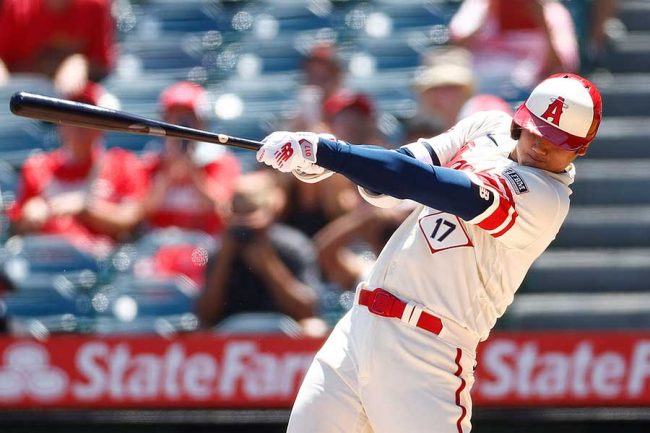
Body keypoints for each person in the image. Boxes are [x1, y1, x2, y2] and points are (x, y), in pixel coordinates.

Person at [256, 72, 602, 432]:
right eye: (536, 131)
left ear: (580, 149)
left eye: (557, 142)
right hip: (358, 329)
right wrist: (329, 161)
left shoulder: (547, 198)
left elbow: (428, 184)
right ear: (520, 120)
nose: (542, 147)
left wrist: (331, 154)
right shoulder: (488, 126)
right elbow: (393, 180)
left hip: (426, 350)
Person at [8, 82, 146, 257]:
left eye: (88, 117)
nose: (79, 125)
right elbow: (18, 226)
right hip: (48, 258)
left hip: (101, 262)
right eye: (71, 116)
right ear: (59, 124)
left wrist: (86, 209)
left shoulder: (123, 164)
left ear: (102, 126)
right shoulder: (38, 167)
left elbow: (131, 219)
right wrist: (29, 215)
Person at [196, 170, 327, 336]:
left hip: (285, 335)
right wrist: (225, 258)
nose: (246, 229)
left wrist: (269, 265)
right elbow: (205, 315)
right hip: (229, 336)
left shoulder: (293, 246)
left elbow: (308, 310)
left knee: (313, 328)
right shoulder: (220, 249)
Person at [139, 81, 241, 237]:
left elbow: (223, 211)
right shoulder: (152, 161)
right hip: (158, 243)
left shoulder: (221, 161)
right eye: (174, 116)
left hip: (205, 243)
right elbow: (139, 214)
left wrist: (193, 171)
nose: (181, 124)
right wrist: (167, 173)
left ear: (201, 121)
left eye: (189, 116)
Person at [449, 0, 579, 95]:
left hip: (529, 92)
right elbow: (456, 48)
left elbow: (563, 68)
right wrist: (489, 12)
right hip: (479, 90)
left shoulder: (553, 12)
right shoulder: (477, 6)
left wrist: (542, 23)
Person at [0, 0, 117, 95]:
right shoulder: (17, 5)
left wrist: (81, 63)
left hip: (76, 97)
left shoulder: (96, 6)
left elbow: (103, 65)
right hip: (20, 95)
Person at [412, 46, 476, 129]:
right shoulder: (417, 130)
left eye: (451, 87)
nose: (441, 95)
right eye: (435, 88)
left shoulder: (482, 124)